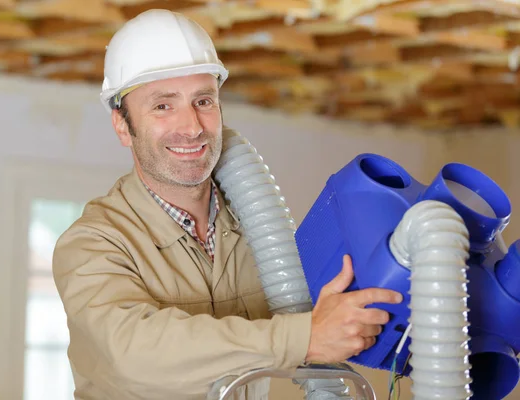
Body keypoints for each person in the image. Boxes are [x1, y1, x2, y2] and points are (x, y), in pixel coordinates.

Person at [52, 8, 403, 400]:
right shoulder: (93, 243)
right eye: (163, 106)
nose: (192, 126)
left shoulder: (262, 233)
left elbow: (313, 322)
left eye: (203, 100)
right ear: (122, 124)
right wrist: (305, 336)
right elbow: (132, 355)